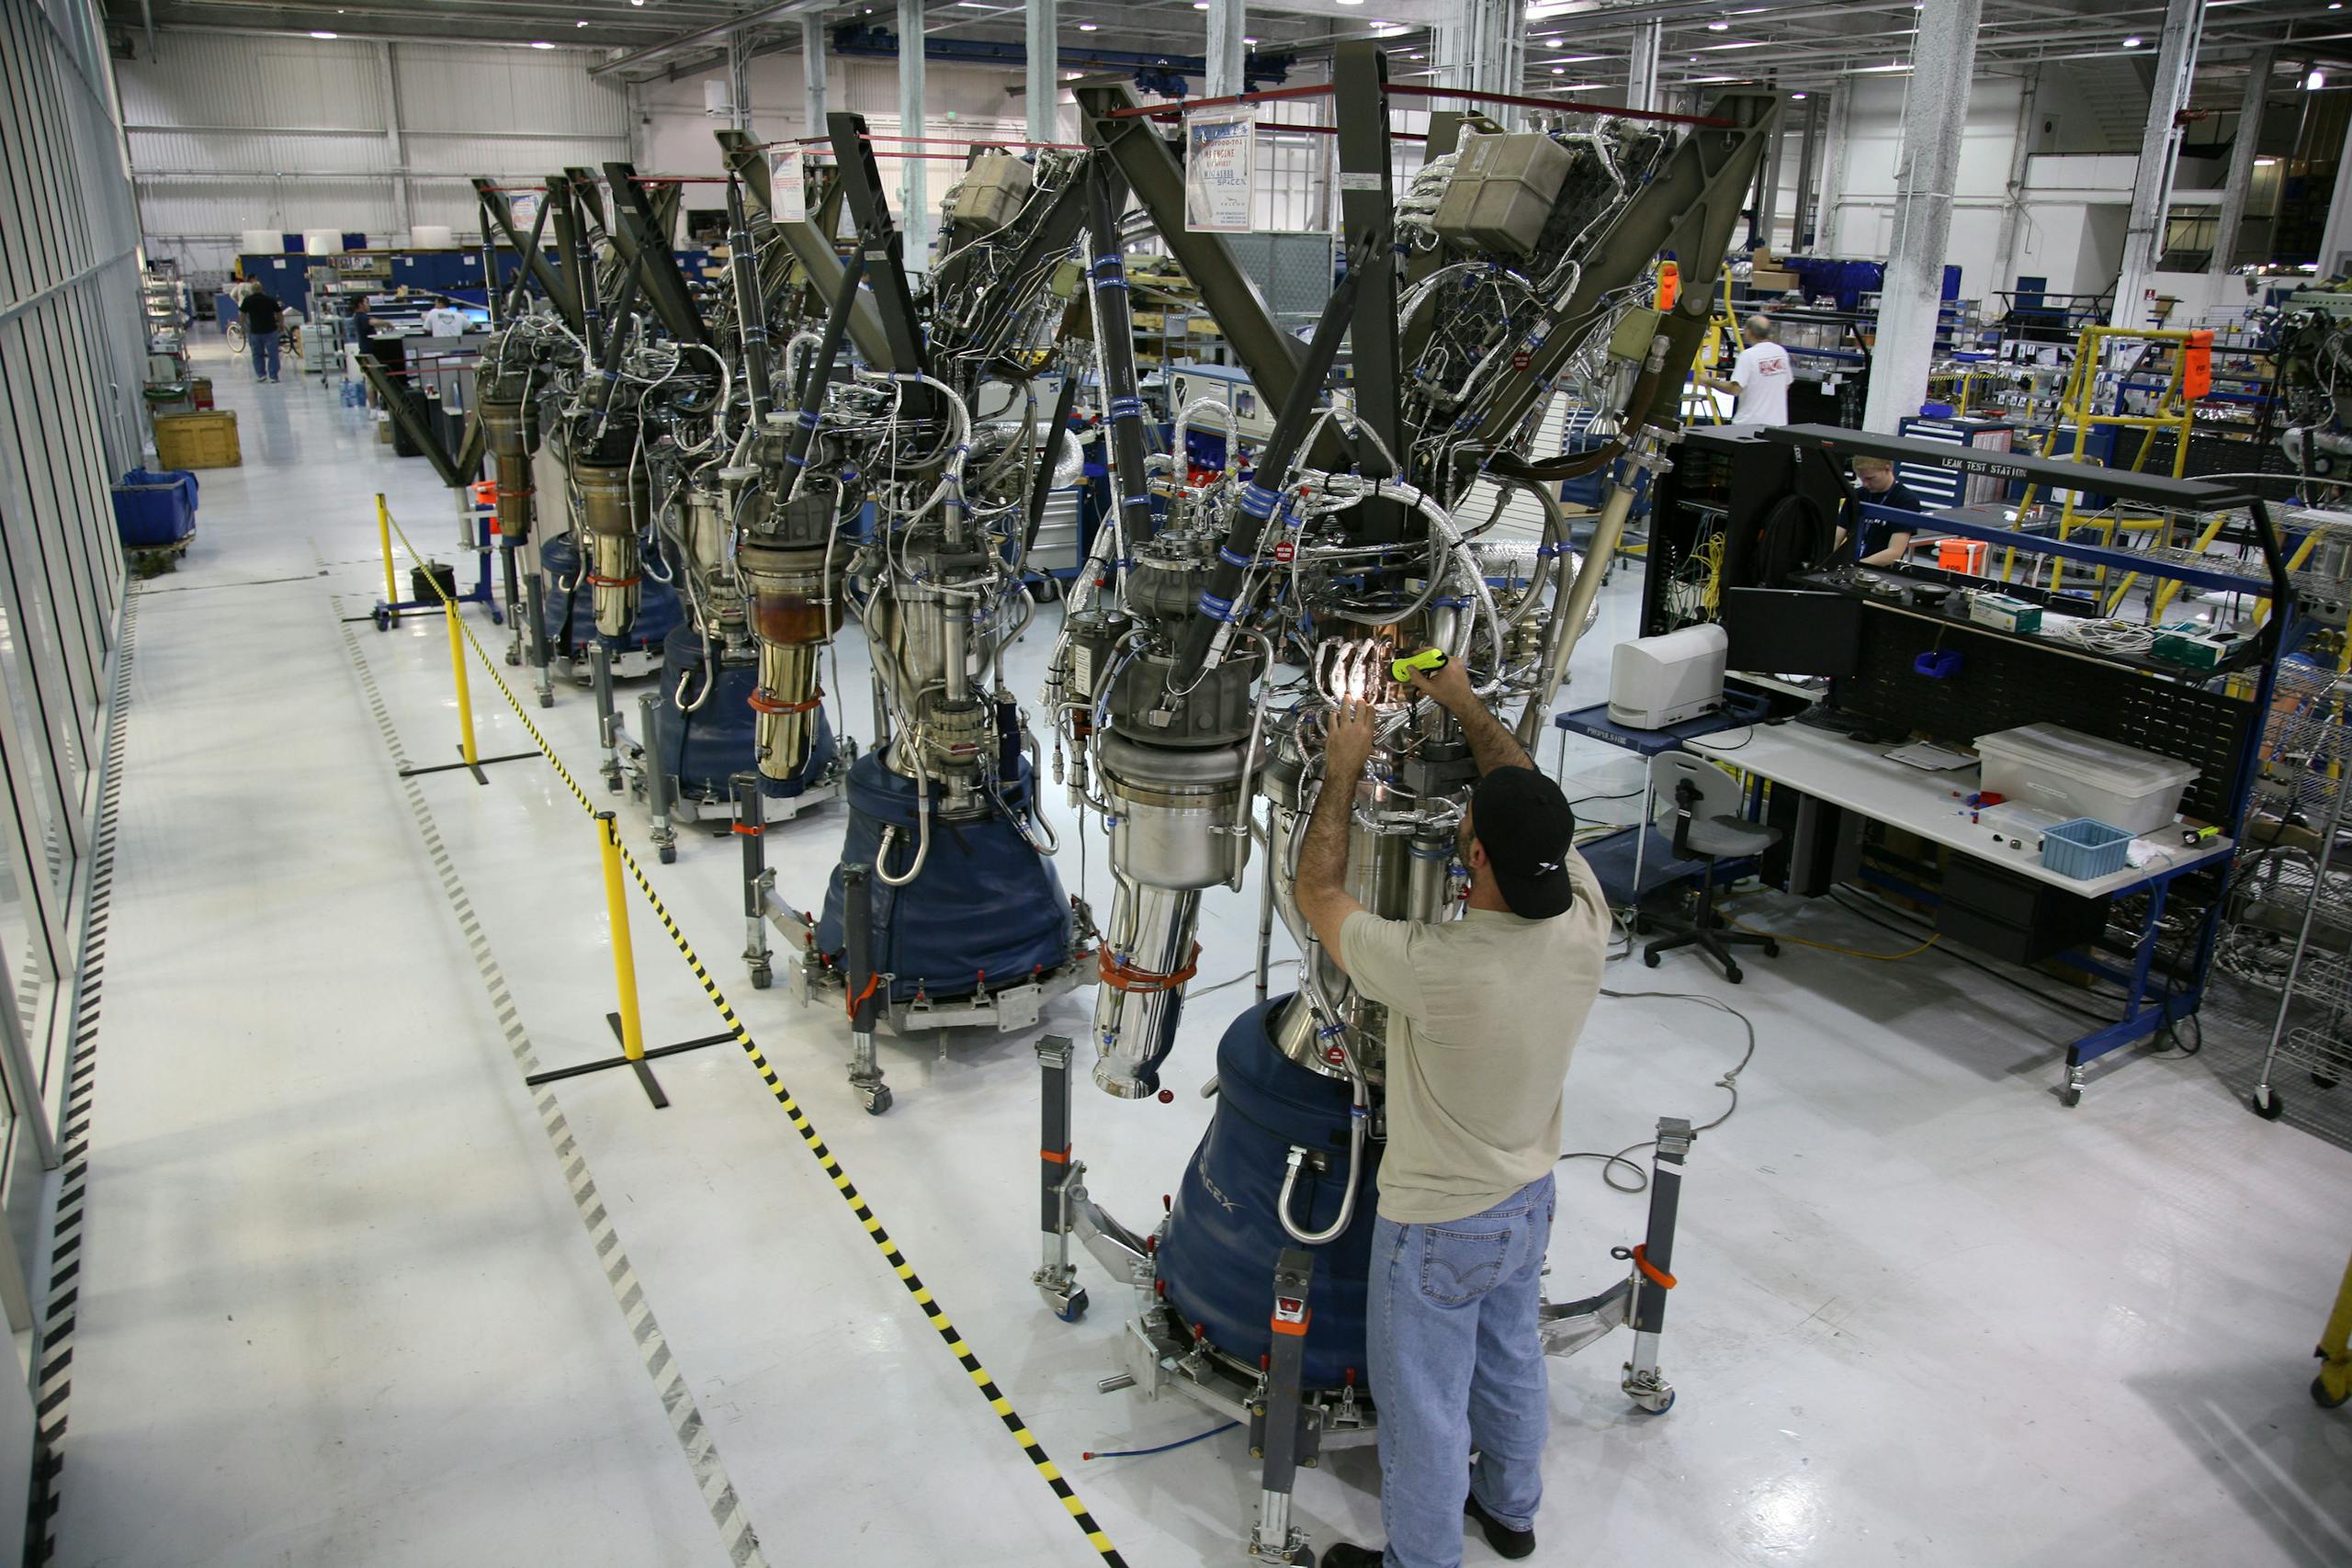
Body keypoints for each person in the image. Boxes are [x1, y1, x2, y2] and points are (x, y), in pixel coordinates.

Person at [1294, 655, 1611, 1568]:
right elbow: (1520, 785)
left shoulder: (1435, 967)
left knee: (1425, 1406)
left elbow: (1317, 894)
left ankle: (1420, 1562)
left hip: (1437, 1227)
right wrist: (1464, 700)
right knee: (1510, 1358)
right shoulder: (1583, 914)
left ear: (1470, 857)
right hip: (1526, 1199)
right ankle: (1511, 1510)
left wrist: (1343, 767)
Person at [1702, 314, 1792, 427]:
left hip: (1749, 426)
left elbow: (1735, 389)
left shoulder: (1748, 356)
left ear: (1749, 332)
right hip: (1778, 426)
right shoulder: (1781, 352)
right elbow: (1786, 385)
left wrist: (1708, 381)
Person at [1841, 455, 1925, 567]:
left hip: (1880, 571)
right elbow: (1837, 535)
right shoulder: (1857, 495)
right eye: (1862, 478)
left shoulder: (1906, 501)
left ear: (1887, 469)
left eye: (1870, 478)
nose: (1865, 484)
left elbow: (1894, 553)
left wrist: (1855, 566)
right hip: (1849, 565)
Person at [239, 285, 284, 382]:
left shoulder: (248, 300)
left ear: (252, 291)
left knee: (257, 354)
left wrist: (242, 327)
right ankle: (273, 376)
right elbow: (279, 313)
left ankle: (261, 375)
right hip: (270, 331)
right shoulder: (270, 299)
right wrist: (281, 324)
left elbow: (242, 315)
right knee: (273, 354)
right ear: (262, 290)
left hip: (255, 332)